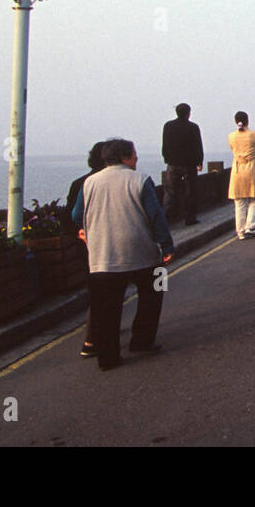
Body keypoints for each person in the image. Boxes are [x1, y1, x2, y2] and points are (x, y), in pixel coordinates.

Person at [72, 138, 175, 371]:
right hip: (141, 252)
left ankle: (107, 357)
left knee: (106, 307)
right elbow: (156, 217)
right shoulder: (140, 180)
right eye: (134, 154)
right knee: (154, 292)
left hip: (102, 256)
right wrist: (166, 247)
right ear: (125, 157)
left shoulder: (89, 183)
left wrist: (87, 230)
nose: (136, 158)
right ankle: (142, 340)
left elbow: (76, 216)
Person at [65, 141, 106, 359]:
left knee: (97, 288)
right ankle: (91, 341)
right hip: (104, 244)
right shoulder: (102, 183)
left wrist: (79, 232)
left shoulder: (78, 183)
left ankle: (101, 330)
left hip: (85, 244)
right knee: (104, 291)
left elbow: (70, 217)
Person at [161, 102, 204, 225]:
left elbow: (165, 144)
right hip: (189, 164)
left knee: (170, 191)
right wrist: (199, 162)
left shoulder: (168, 126)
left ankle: (166, 218)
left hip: (172, 163)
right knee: (190, 191)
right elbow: (197, 146)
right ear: (188, 113)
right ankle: (190, 218)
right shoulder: (193, 127)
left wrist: (166, 158)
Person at [228, 111, 255, 239]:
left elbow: (233, 149)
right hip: (251, 169)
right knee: (254, 199)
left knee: (239, 203)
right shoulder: (254, 134)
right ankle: (250, 226)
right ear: (247, 120)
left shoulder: (231, 136)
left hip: (237, 170)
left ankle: (240, 232)